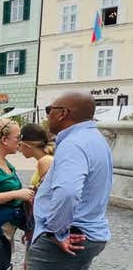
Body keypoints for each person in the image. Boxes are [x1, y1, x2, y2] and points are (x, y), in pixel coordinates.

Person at [29, 92, 113, 270]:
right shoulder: (97, 139)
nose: (47, 115)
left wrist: (56, 232)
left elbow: (68, 192)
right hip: (90, 232)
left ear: (62, 113)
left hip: (70, 236)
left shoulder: (73, 144)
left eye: (49, 109)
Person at [0, 118, 34, 241]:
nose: (20, 141)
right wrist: (15, 194)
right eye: (17, 137)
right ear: (4, 140)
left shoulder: (3, 161)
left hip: (7, 226)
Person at [18, 123, 55, 267]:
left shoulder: (45, 161)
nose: (19, 149)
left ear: (26, 145)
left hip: (40, 223)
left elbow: (46, 197)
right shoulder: (46, 159)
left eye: (20, 145)